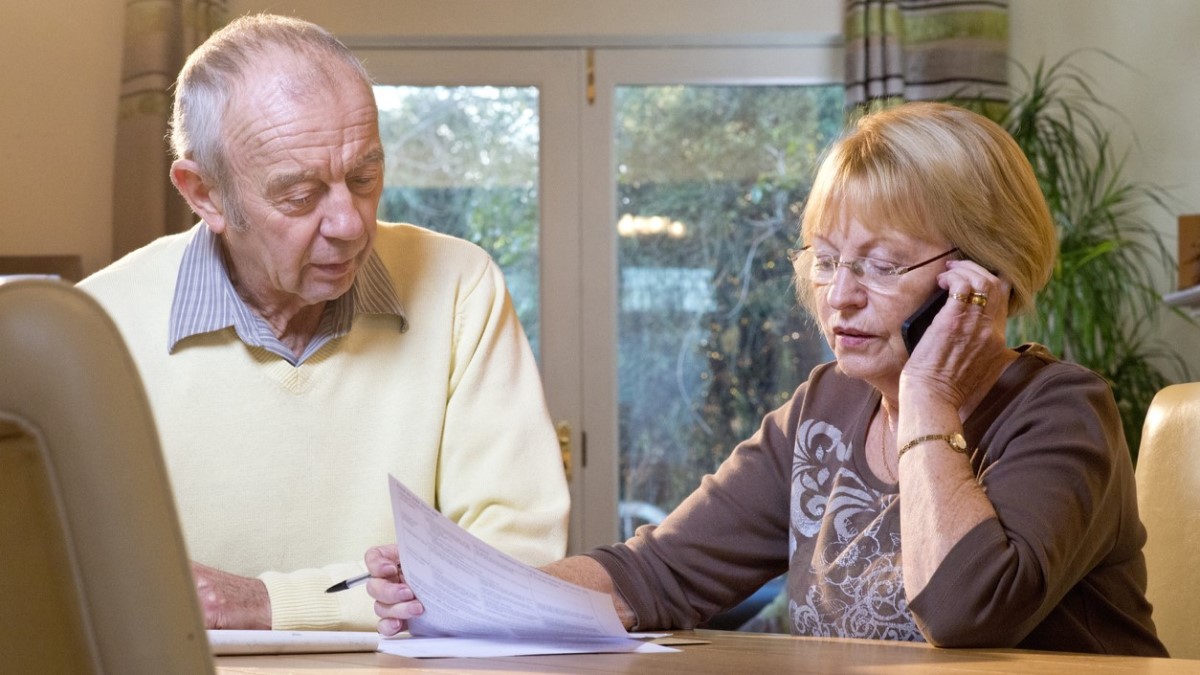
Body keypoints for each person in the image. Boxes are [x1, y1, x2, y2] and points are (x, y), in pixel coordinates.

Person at [364, 102, 1168, 655]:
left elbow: (968, 612)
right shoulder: (824, 408)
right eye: (825, 261)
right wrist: (474, 593)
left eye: (882, 265)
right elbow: (659, 573)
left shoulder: (1062, 411)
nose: (840, 295)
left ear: (979, 279)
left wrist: (927, 397)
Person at [78, 14, 569, 631]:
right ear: (204, 193)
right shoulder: (94, 327)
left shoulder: (460, 287)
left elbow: (514, 565)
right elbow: (74, 585)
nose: (350, 223)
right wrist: (379, 598)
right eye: (300, 194)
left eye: (364, 177)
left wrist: (270, 603)